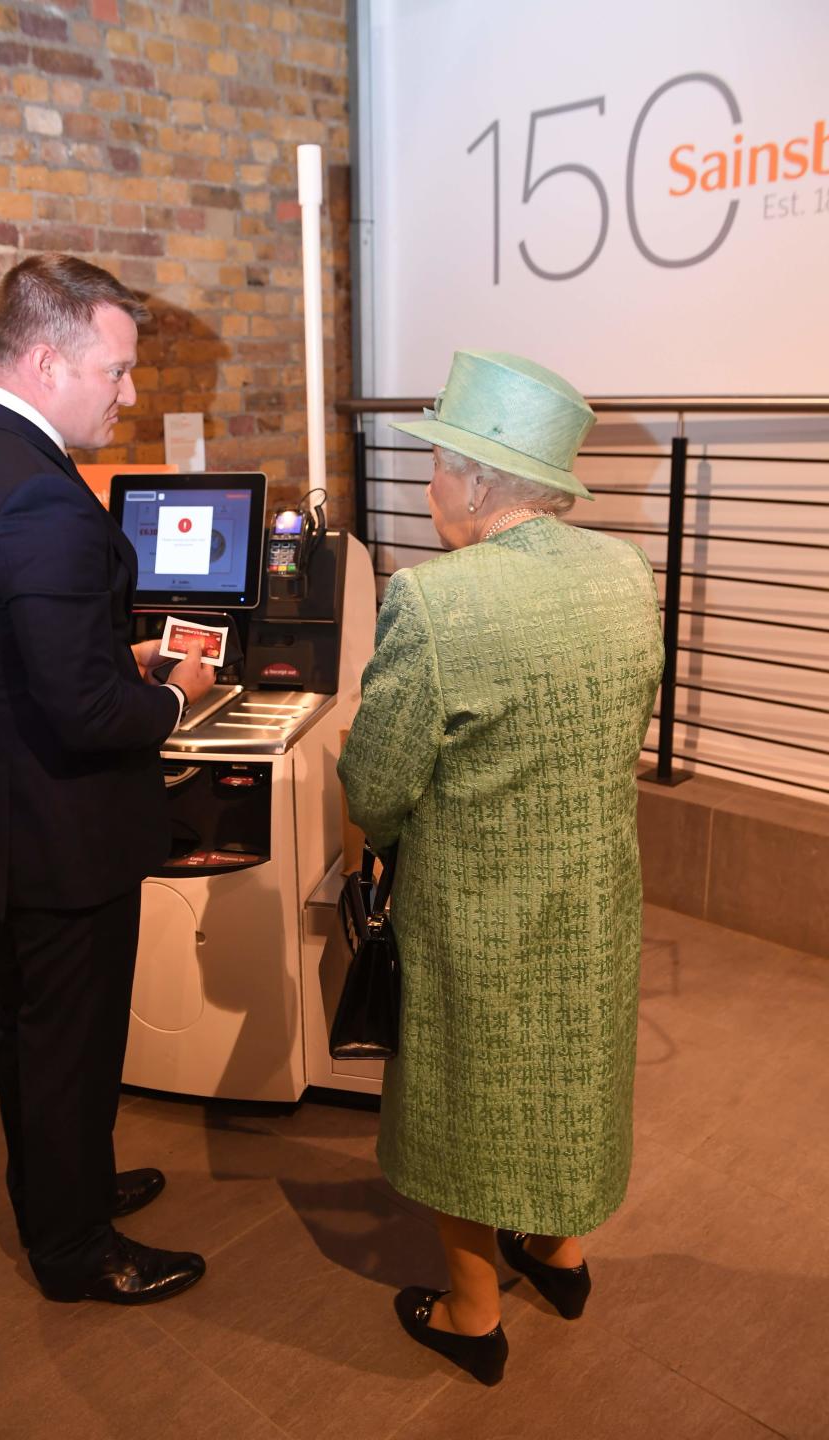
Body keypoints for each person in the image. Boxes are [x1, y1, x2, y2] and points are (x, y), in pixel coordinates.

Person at [338, 351, 664, 1385]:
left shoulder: (436, 602)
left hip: (474, 903)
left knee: (463, 1094)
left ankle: (473, 1314)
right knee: (573, 1070)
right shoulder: (625, 573)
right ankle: (560, 1254)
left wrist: (384, 837)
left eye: (437, 463)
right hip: (597, 891)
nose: (429, 483)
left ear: (478, 482)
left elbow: (377, 782)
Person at [0, 254, 216, 1305]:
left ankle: (62, 1190)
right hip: (60, 826)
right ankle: (76, 1253)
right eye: (117, 371)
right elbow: (86, 714)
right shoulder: (41, 496)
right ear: (46, 359)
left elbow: (14, 649)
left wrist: (102, 657)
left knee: (31, 1027)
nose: (129, 394)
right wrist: (179, 696)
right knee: (71, 1043)